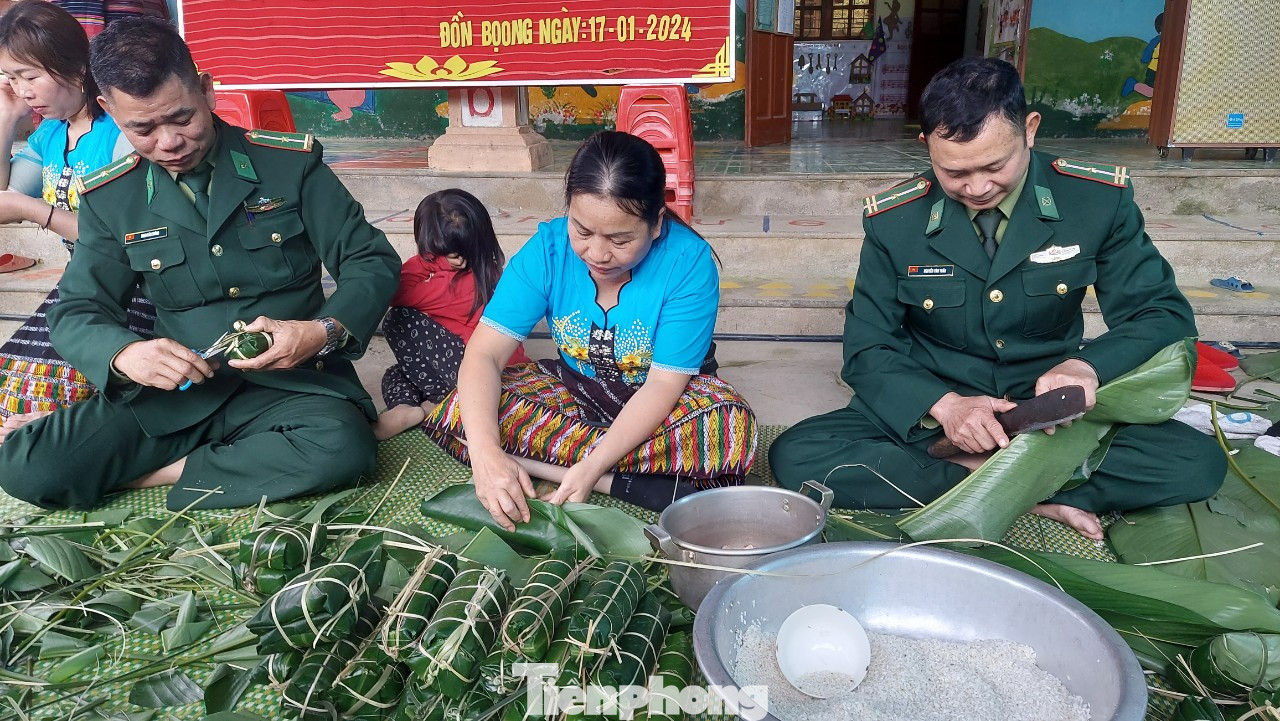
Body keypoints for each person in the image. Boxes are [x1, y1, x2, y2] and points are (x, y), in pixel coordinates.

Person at [769, 57, 1224, 540]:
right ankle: (1028, 486)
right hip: (939, 418)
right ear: (927, 147)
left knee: (1196, 464)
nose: (978, 188)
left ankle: (992, 480)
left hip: (1049, 417)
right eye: (955, 173)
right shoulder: (894, 220)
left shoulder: (1095, 202)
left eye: (995, 165)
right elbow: (867, 347)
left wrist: (1087, 369)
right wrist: (946, 407)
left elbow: (1162, 314)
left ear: (1029, 130)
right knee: (797, 455)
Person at [0, 17, 400, 510]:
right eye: (141, 128)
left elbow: (371, 260)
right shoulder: (112, 197)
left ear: (207, 91)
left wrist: (322, 331)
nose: (168, 142)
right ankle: (222, 461)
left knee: (342, 450)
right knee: (28, 465)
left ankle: (155, 476)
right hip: (179, 395)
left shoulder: (289, 166)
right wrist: (125, 353)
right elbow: (79, 307)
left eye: (181, 118)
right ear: (109, 110)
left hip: (295, 386)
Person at [424, 131, 758, 530]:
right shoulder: (547, 251)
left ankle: (581, 473)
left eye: (620, 239)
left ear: (656, 224)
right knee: (465, 407)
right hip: (577, 391)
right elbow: (484, 354)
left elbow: (662, 387)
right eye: (582, 232)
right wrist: (485, 453)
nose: (598, 254)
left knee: (730, 428)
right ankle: (627, 481)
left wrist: (591, 464)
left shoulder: (687, 263)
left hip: (666, 403)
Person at [0, 0, 152, 437]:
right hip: (86, 284)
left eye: (29, 77)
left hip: (140, 285)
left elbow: (129, 235)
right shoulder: (51, 133)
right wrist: (7, 120)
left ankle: (86, 434)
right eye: (12, 79)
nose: (22, 90)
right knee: (10, 382)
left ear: (77, 68)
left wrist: (37, 212)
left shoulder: (121, 132)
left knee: (41, 394)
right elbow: (7, 196)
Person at [374, 188, 530, 440]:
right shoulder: (488, 271)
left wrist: (434, 263)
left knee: (399, 319)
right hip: (476, 370)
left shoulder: (461, 285)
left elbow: (397, 293)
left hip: (485, 378)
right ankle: (409, 408)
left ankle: (445, 405)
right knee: (396, 372)